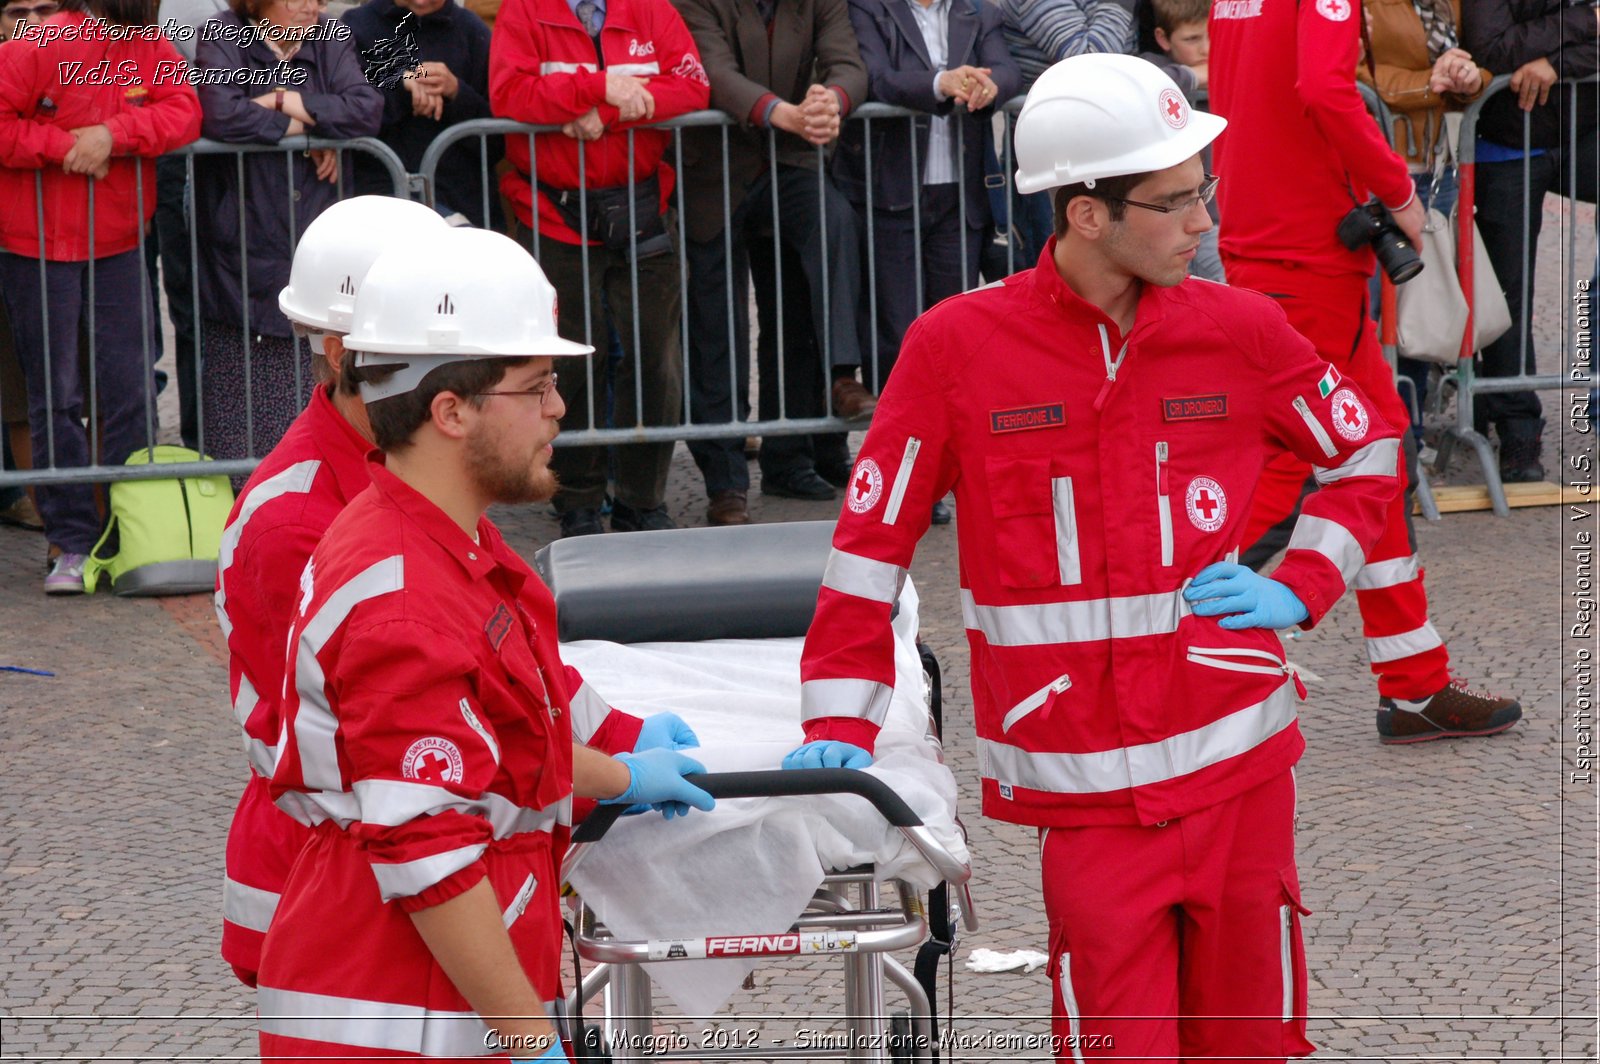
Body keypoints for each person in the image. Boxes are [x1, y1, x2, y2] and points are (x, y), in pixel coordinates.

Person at [788, 53, 1406, 1060]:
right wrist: (840, 715)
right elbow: (870, 545)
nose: (1203, 222)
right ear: (1083, 213)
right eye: (1174, 202)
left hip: (1239, 765)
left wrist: (1299, 582)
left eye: (1201, 193)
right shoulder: (956, 350)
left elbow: (1369, 449)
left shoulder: (1240, 330)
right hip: (1082, 798)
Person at [257, 227, 715, 1062]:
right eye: (536, 386)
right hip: (404, 1017)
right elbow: (428, 852)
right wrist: (530, 1040)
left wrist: (623, 764)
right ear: (451, 411)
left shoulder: (442, 538)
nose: (559, 408)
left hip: (437, 1001)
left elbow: (510, 727)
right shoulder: (403, 596)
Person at [1209, 0, 1523, 744]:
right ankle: (1188, 637)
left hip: (1268, 232)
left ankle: (1412, 682)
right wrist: (1400, 190)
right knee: (1300, 460)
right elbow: (1323, 89)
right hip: (1306, 248)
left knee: (1372, 446)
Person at [0, 0, 202, 594]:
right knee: (54, 397)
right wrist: (63, 147)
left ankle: (124, 529)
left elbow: (185, 113)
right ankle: (70, 540)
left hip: (116, 241)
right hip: (35, 244)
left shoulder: (149, 46)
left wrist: (114, 134)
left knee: (131, 389)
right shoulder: (37, 47)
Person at [488, 0, 710, 536]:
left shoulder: (652, 10)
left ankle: (642, 500)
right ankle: (577, 499)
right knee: (569, 364)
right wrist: (597, 87)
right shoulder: (524, 11)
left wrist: (605, 109)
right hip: (553, 214)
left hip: (642, 209)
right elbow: (509, 94)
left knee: (655, 362)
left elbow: (693, 88)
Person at [674, 0, 873, 527]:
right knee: (719, 329)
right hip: (712, 168)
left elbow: (849, 63)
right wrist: (783, 112)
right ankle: (725, 483)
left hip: (789, 158)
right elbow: (713, 70)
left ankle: (834, 385)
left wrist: (831, 100)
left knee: (829, 232)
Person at [191, 0, 382, 463]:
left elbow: (365, 109)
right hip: (243, 240)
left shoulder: (329, 36)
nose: (312, 6)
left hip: (313, 238)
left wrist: (282, 100)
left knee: (318, 396)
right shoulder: (223, 35)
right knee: (244, 422)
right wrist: (307, 129)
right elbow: (218, 113)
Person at [1460, 0, 1598, 482]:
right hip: (1506, 137)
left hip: (1583, 129)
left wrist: (1555, 64)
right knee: (1507, 292)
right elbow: (1493, 49)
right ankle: (1516, 427)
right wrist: (1587, 21)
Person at [1357, 0, 1488, 448]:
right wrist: (1427, 84)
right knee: (1369, 311)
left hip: (1438, 163)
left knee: (1418, 311)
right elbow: (1347, 72)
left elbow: (1485, 58)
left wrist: (1469, 76)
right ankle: (1363, 433)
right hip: (1379, 167)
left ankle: (1406, 432)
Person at [341, 0, 502, 229]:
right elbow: (345, 114)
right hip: (379, 204)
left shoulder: (472, 31)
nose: (421, 1)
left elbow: (496, 141)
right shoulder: (357, 25)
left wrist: (456, 92)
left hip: (462, 203)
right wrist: (400, 87)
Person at [1146, 0, 1223, 282]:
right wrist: (1191, 76)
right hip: (1188, 222)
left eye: (1213, 35)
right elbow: (1145, 85)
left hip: (1227, 219)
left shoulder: (1228, 68)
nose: (1206, 49)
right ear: (1162, 38)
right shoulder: (1152, 69)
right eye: (1192, 39)